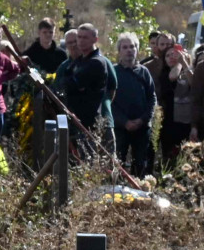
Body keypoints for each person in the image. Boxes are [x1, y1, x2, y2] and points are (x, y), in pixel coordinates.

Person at [55, 22, 117, 156]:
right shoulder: (78, 62)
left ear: (95, 39)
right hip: (80, 123)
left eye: (85, 38)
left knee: (101, 163)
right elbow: (61, 84)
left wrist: (72, 85)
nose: (81, 41)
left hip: (94, 123)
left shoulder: (97, 62)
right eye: (79, 37)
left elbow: (70, 84)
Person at [111, 32, 156, 176]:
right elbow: (109, 101)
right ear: (119, 51)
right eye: (125, 47)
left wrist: (143, 120)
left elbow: (152, 98)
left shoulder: (144, 72)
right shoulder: (113, 72)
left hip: (141, 128)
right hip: (120, 128)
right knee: (117, 164)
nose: (129, 50)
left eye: (132, 47)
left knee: (141, 165)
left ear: (137, 49)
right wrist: (124, 122)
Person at [158, 41, 194, 168]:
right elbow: (173, 76)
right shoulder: (163, 74)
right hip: (169, 122)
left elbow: (194, 85)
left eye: (175, 54)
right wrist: (180, 62)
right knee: (169, 159)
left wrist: (184, 63)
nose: (172, 57)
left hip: (185, 122)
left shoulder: (189, 72)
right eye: (168, 55)